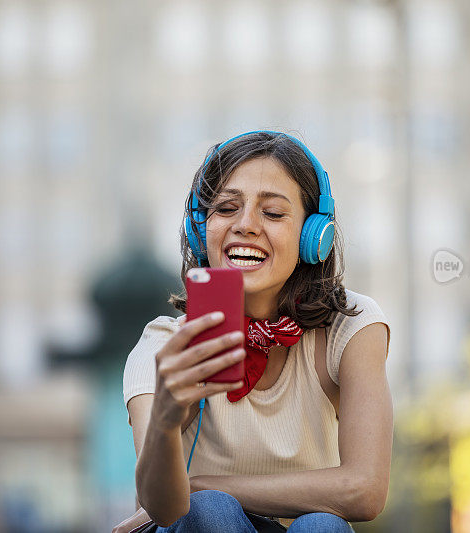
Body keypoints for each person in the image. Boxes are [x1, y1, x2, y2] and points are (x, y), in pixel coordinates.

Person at [119, 131, 393, 533]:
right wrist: (164, 419)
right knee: (207, 511)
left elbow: (364, 491)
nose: (245, 225)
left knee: (322, 527)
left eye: (274, 213)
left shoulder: (350, 327)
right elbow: (162, 506)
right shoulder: (164, 345)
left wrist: (200, 484)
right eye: (227, 208)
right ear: (201, 229)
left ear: (312, 236)